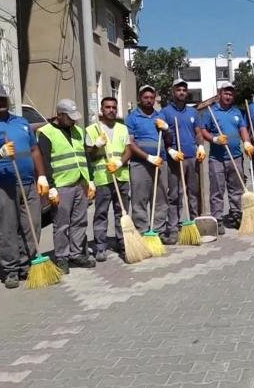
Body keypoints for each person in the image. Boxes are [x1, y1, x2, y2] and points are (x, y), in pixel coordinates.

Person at [0, 83, 47, 289]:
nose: (0, 103)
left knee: (32, 226)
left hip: (28, 183)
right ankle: (11, 269)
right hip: (1, 185)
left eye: (3, 99)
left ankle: (26, 264)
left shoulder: (21, 122)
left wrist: (42, 176)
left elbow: (34, 150)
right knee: (7, 229)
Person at [37, 99, 95, 273]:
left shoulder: (78, 130)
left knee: (80, 221)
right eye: (70, 118)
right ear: (60, 115)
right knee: (61, 224)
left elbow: (85, 156)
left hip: (80, 183)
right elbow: (44, 160)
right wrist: (51, 185)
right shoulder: (46, 132)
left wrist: (90, 179)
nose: (73, 121)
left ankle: (76, 254)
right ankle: (62, 256)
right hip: (61, 185)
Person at [201, 81, 254, 232]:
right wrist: (214, 139)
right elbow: (203, 130)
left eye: (231, 93)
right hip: (217, 159)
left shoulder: (237, 112)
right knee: (217, 191)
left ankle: (236, 215)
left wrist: (247, 143)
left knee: (236, 189)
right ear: (220, 94)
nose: (228, 96)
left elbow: (243, 128)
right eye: (226, 93)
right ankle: (217, 220)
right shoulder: (210, 111)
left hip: (236, 157)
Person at [85, 97, 132, 262]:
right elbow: (88, 155)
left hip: (121, 176)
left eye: (113, 107)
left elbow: (128, 150)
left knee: (122, 212)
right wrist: (96, 146)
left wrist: (120, 162)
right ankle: (100, 247)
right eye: (107, 107)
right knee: (101, 213)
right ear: (101, 109)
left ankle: (123, 243)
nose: (111, 110)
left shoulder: (122, 128)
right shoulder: (92, 130)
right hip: (103, 178)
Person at [160, 79, 207, 242]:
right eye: (178, 90)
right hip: (175, 160)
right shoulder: (165, 112)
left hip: (192, 158)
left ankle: (194, 224)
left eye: (184, 90)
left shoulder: (193, 112)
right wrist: (170, 150)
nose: (181, 92)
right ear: (173, 92)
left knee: (193, 193)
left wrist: (201, 146)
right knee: (175, 195)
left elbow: (198, 133)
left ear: (187, 93)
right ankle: (173, 229)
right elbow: (162, 135)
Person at [126, 85, 169, 240]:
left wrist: (167, 129)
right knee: (139, 199)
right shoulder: (132, 118)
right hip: (140, 164)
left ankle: (159, 230)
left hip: (160, 162)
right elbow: (130, 144)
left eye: (151, 97)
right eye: (146, 97)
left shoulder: (160, 116)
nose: (149, 100)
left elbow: (168, 140)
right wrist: (147, 157)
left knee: (160, 198)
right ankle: (143, 231)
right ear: (140, 98)